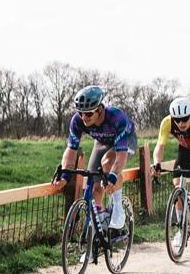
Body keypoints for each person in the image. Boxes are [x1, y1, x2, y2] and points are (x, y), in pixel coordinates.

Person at [46, 84, 138, 236]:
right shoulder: (77, 121)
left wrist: (113, 177)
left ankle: (118, 210)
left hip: (125, 141)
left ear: (100, 109)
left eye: (88, 114)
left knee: (108, 163)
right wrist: (65, 176)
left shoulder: (116, 117)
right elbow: (71, 149)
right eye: (80, 113)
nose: (83, 118)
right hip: (102, 143)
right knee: (95, 187)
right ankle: (95, 237)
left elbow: (120, 155)